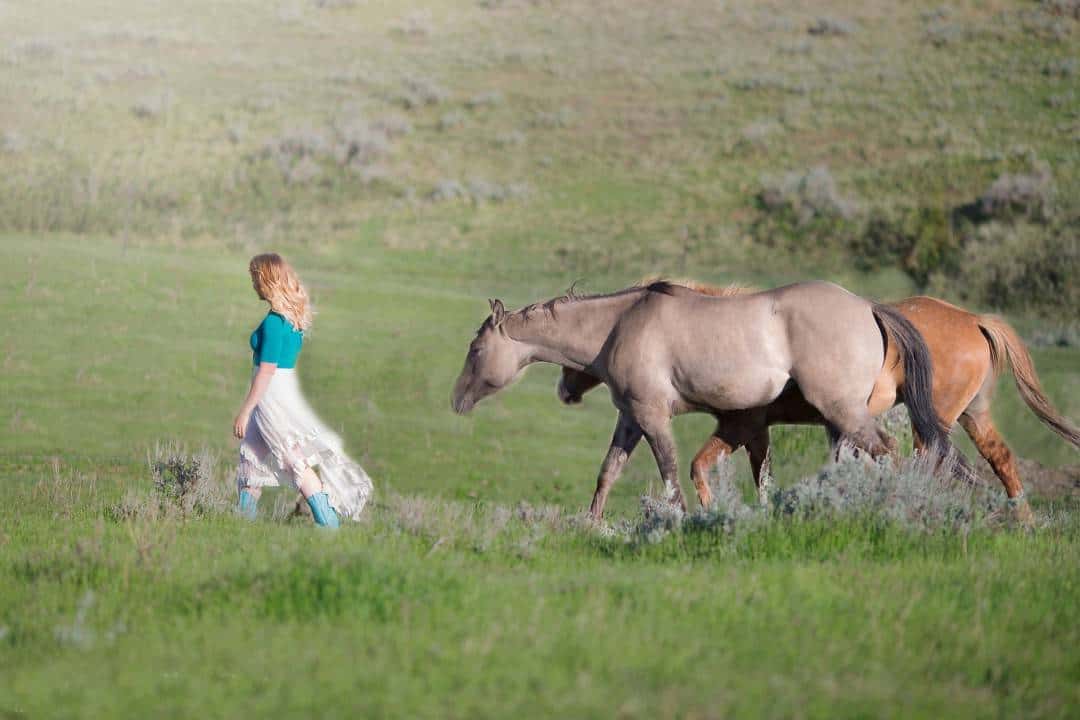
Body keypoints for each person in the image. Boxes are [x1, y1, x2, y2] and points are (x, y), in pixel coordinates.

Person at [233, 253, 373, 527]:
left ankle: (328, 522)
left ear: (266, 280)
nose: (252, 284)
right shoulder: (291, 320)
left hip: (270, 396)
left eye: (255, 278)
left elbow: (267, 371)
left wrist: (245, 410)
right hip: (275, 393)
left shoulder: (275, 322)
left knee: (291, 459)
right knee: (251, 460)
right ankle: (242, 522)